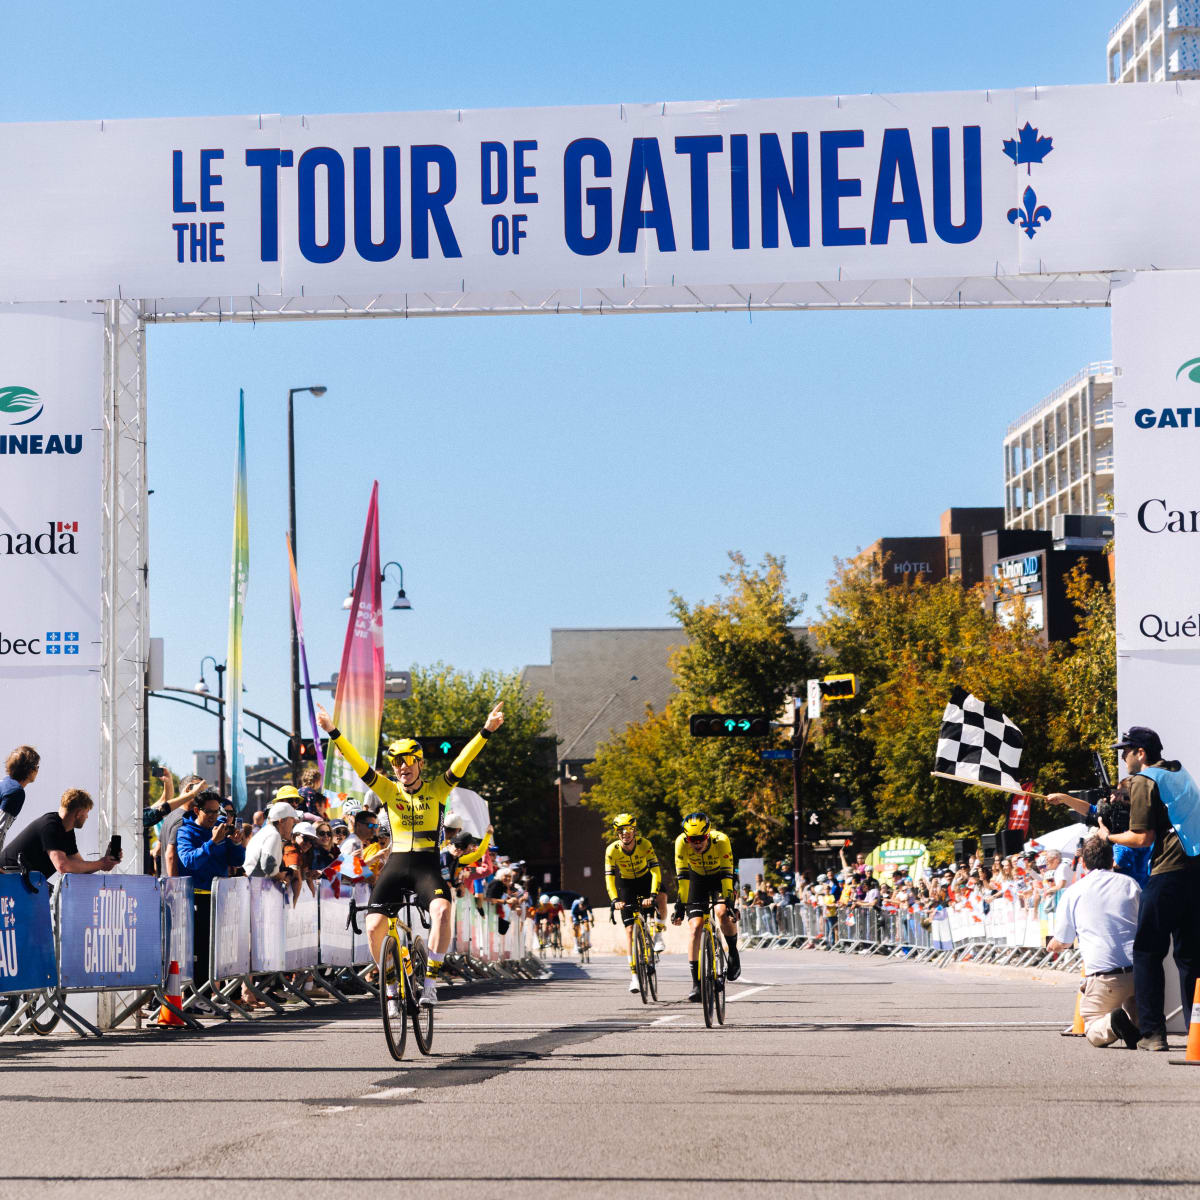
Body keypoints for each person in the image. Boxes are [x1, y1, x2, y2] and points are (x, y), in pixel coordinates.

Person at [316, 699, 504, 1006]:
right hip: (397, 865)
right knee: (374, 926)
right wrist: (333, 731)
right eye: (396, 763)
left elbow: (463, 760)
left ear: (419, 763)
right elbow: (358, 764)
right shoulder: (388, 791)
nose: (402, 768)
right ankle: (390, 985)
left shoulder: (438, 789)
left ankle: (429, 981)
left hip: (426, 867)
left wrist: (486, 730)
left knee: (443, 910)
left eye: (408, 761)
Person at [1101, 726, 1200, 1051]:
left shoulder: (1145, 780)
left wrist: (1108, 837)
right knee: (1190, 957)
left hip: (1168, 872)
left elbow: (1142, 837)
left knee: (1146, 951)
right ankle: (1195, 1032)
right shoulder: (1179, 772)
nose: (1123, 758)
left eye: (1125, 751)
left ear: (1140, 753)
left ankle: (1153, 1034)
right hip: (1195, 871)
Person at [1046, 835, 1141, 1049]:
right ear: (1111, 860)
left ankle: (1111, 1023)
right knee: (1138, 1020)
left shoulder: (1074, 892)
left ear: (1083, 862)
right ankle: (1136, 1023)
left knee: (1093, 1030)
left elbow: (1063, 941)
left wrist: (1051, 945)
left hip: (1105, 977)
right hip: (1139, 972)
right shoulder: (1130, 884)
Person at [176, 789, 246, 986]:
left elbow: (237, 861)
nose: (214, 817)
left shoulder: (220, 828)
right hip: (196, 898)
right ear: (197, 810)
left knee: (216, 950)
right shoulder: (185, 831)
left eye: (217, 812)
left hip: (219, 897)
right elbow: (189, 861)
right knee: (200, 950)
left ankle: (209, 995)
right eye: (209, 812)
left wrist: (236, 844)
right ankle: (196, 997)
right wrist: (212, 843)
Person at [671, 811, 740, 1002]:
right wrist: (679, 904)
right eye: (692, 839)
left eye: (701, 838)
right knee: (694, 928)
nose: (697, 843)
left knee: (722, 912)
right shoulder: (681, 843)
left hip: (720, 877)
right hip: (696, 880)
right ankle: (696, 983)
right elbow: (683, 878)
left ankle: (733, 951)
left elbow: (728, 874)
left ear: (708, 835)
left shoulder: (721, 840)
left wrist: (729, 902)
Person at [604, 813, 667, 993]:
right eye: (622, 830)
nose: (626, 833)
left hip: (646, 879)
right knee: (630, 930)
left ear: (635, 830)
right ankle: (634, 977)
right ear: (617, 833)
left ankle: (659, 935)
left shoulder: (645, 844)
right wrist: (615, 900)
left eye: (629, 829)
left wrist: (653, 895)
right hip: (627, 884)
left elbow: (655, 871)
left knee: (662, 896)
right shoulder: (612, 850)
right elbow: (609, 877)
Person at [0, 788, 120, 878]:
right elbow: (63, 866)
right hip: (6, 877)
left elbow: (80, 866)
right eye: (86, 812)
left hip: (17, 881)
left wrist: (105, 861)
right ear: (78, 813)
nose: (87, 817)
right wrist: (101, 864)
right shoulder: (50, 826)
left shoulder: (67, 830)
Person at [243, 791, 300, 879]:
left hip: (253, 884)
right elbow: (268, 867)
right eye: (291, 819)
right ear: (281, 820)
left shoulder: (268, 831)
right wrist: (280, 876)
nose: (293, 823)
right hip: (255, 885)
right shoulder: (273, 834)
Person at [0, 745, 40, 856]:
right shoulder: (15, 792)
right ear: (29, 770)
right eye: (37, 766)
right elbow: (0, 829)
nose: (37, 770)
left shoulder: (4, 782)